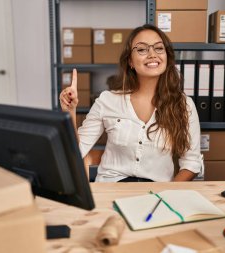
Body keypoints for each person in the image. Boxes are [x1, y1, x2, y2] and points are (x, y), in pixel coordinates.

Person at [59, 24, 203, 182]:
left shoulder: (184, 105)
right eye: (142, 49)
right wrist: (70, 111)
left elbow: (191, 163)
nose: (152, 54)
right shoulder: (107, 100)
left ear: (167, 58)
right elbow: (77, 151)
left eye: (159, 48)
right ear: (130, 61)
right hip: (111, 188)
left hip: (156, 193)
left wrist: (167, 195)